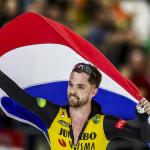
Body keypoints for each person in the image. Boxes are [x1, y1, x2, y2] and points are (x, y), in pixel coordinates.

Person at [0, 62, 150, 150]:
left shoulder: (105, 123)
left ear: (93, 91)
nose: (73, 91)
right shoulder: (52, 113)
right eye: (70, 85)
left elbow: (144, 138)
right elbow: (18, 95)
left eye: (80, 87)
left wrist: (143, 120)